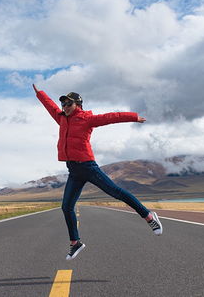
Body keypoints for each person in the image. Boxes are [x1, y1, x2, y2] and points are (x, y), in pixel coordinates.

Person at [33, 84, 163, 260]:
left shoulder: (87, 119)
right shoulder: (61, 118)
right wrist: (40, 94)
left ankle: (148, 216)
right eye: (63, 104)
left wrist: (132, 117)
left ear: (78, 105)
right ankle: (75, 243)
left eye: (68, 104)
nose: (65, 107)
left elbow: (110, 117)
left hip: (88, 167)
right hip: (73, 170)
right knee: (66, 207)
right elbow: (50, 106)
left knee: (116, 192)